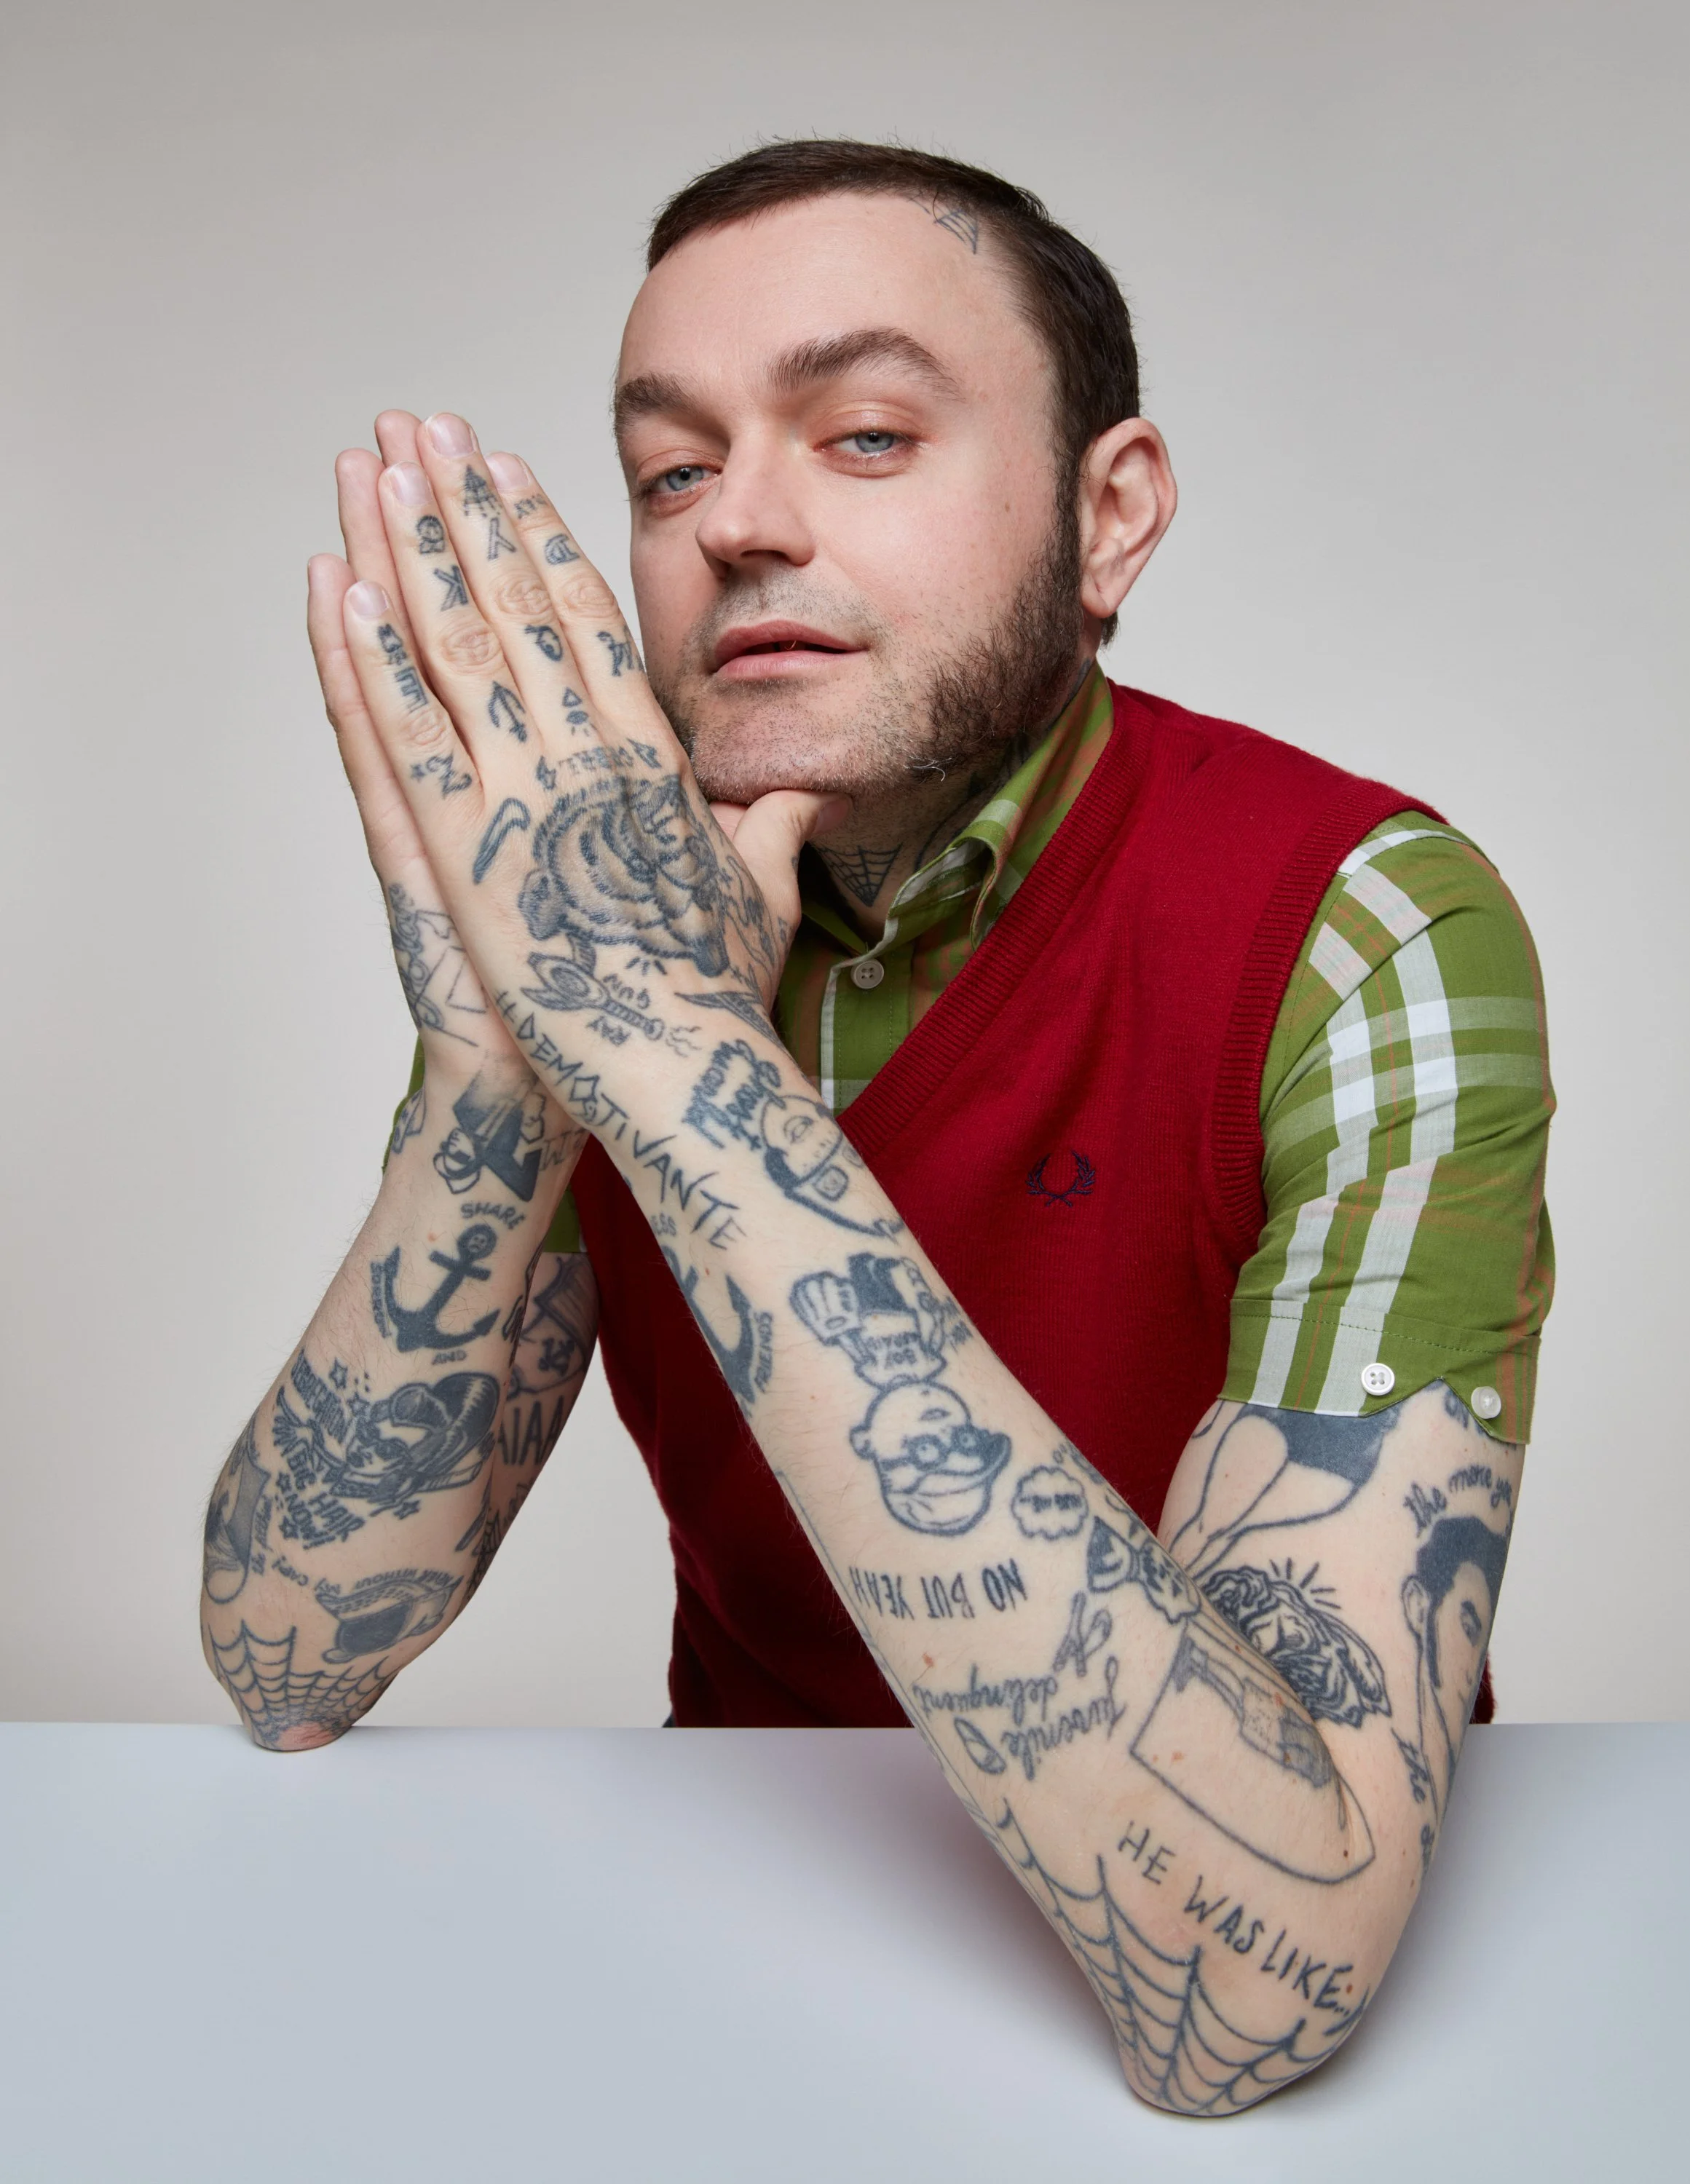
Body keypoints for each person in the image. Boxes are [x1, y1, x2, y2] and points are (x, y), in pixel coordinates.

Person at [200, 142, 1553, 2114]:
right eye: (671, 469)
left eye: (864, 436)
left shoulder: (1368, 932)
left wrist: (678, 1065)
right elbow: (285, 1657)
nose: (740, 523)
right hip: (738, 1970)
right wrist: (512, 1060)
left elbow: (1251, 2000)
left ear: (1108, 514)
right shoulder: (603, 920)